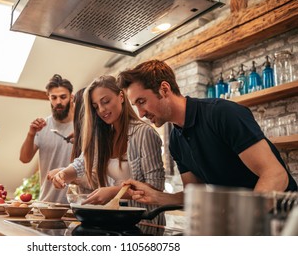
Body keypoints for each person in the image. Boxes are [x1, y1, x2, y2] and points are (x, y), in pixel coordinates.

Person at [116, 59, 297, 206]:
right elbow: (194, 195)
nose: (141, 113)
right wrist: (155, 196)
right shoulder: (175, 140)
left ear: (164, 89)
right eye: (136, 105)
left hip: (283, 223)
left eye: (142, 101)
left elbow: (275, 175)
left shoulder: (221, 114)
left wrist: (241, 223)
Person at [49, 75, 166, 226]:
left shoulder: (144, 133)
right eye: (96, 106)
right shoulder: (103, 136)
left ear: (121, 96)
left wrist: (114, 192)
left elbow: (155, 188)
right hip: (114, 221)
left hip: (145, 223)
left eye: (106, 101)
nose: (102, 110)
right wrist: (63, 174)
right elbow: (82, 163)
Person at [19, 74, 74, 204]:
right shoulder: (42, 126)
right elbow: (24, 159)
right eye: (54, 97)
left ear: (71, 97)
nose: (58, 102)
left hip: (75, 203)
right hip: (46, 202)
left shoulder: (83, 126)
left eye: (63, 97)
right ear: (48, 98)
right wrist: (31, 133)